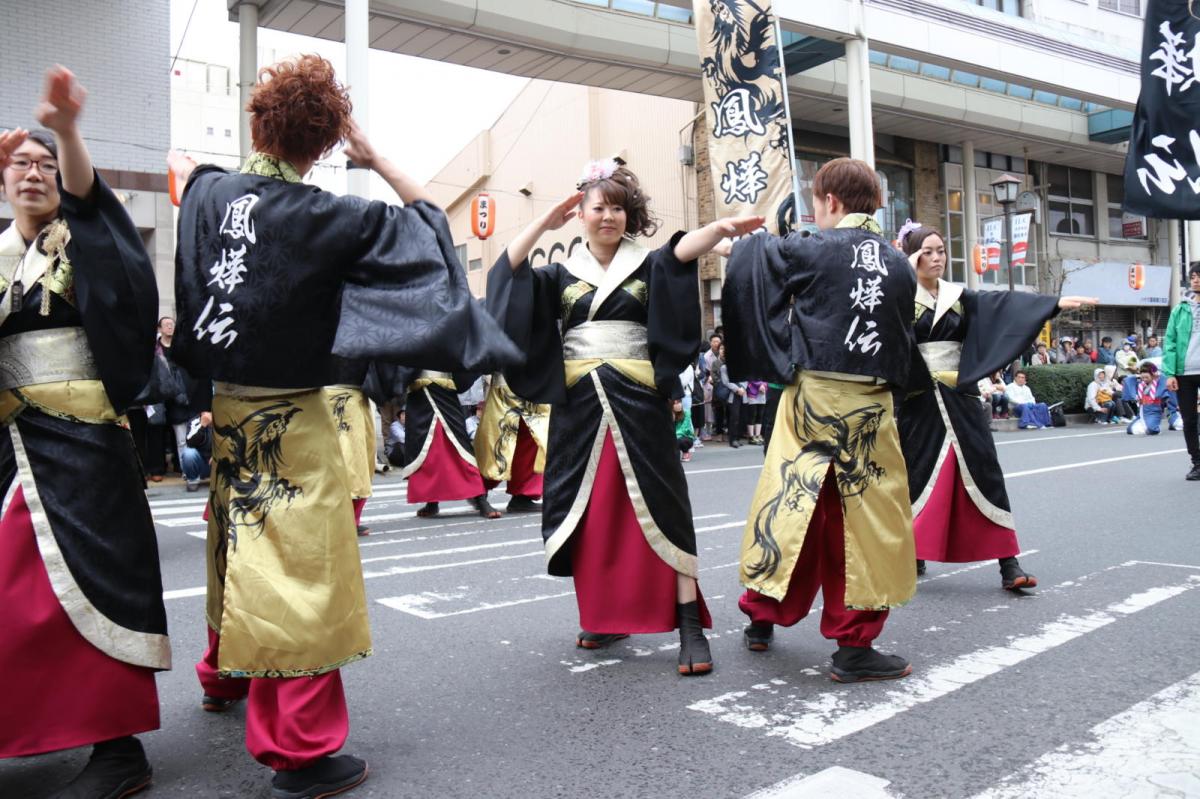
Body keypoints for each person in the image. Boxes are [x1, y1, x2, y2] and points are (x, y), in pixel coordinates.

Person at [169, 55, 519, 798]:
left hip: (230, 409)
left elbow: (194, 244)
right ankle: (297, 750)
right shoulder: (333, 217)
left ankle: (225, 676)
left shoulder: (205, 193)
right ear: (327, 144)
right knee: (302, 571)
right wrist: (377, 156)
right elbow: (431, 238)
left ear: (256, 122)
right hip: (296, 412)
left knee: (235, 545)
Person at [487, 158, 760, 675]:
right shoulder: (560, 272)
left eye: (616, 207)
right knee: (592, 510)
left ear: (628, 214)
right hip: (579, 403)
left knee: (665, 503)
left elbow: (681, 252)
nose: (607, 216)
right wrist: (546, 221)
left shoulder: (649, 263)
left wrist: (718, 229)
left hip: (639, 397)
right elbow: (508, 272)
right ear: (582, 214)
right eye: (597, 207)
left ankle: (688, 624)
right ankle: (603, 614)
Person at [0, 70, 170, 798]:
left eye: (47, 165)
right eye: (20, 164)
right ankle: (24, 730)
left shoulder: (85, 241)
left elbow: (97, 210)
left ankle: (119, 748)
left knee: (97, 586)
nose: (35, 175)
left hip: (86, 446)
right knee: (15, 596)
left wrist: (67, 131)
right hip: (12, 446)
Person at [721, 158, 917, 683]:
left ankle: (761, 616)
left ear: (830, 202)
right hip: (871, 409)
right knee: (865, 526)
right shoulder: (900, 264)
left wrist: (741, 244)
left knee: (791, 506)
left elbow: (751, 265)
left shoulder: (810, 246)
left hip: (810, 402)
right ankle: (853, 646)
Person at [898, 223, 1092, 590]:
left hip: (961, 394)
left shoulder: (958, 295)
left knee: (985, 471)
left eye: (940, 250)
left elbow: (1001, 305)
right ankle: (914, 550)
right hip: (918, 399)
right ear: (911, 255)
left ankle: (1009, 564)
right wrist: (904, 276)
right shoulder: (898, 296)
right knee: (915, 475)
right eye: (927, 251)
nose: (937, 258)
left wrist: (1050, 304)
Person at [400, 368, 501, 519]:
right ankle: (432, 501)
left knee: (460, 447)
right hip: (419, 395)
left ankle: (480, 499)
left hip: (445, 391)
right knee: (427, 451)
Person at [473, 372, 550, 513]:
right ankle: (478, 488)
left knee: (533, 438)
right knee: (495, 439)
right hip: (504, 381)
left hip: (533, 382)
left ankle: (522, 494)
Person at [325, 357, 376, 536]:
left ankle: (349, 519)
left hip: (339, 393)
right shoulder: (360, 331)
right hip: (346, 396)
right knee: (354, 460)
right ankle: (347, 520)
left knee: (358, 459)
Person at [1163, 264, 1200, 480]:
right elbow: (1170, 342)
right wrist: (1169, 373)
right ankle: (1197, 462)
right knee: (1189, 419)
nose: (1195, 280)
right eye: (1193, 277)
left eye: (1199, 276)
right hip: (1184, 373)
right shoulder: (1180, 309)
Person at [718, 344, 747, 447]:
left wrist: (743, 388)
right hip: (733, 394)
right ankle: (733, 439)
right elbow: (726, 382)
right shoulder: (724, 367)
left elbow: (746, 379)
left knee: (741, 417)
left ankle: (738, 437)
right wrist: (737, 389)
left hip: (743, 394)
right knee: (734, 417)